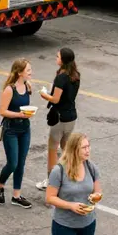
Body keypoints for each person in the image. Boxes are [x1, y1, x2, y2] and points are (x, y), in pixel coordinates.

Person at [37, 48, 81, 190]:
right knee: (66, 149)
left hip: (59, 118)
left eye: (58, 56)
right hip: (71, 117)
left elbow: (55, 99)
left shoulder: (61, 77)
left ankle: (51, 181)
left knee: (52, 149)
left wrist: (44, 95)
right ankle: (70, 177)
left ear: (63, 60)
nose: (56, 58)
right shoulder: (76, 75)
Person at [0, 58, 33, 209]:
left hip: (25, 129)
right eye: (28, 70)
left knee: (21, 163)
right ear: (20, 72)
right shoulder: (10, 89)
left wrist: (27, 114)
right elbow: (2, 111)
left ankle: (16, 196)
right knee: (13, 163)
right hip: (11, 130)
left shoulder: (28, 86)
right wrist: (19, 115)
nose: (31, 72)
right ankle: (0, 185)